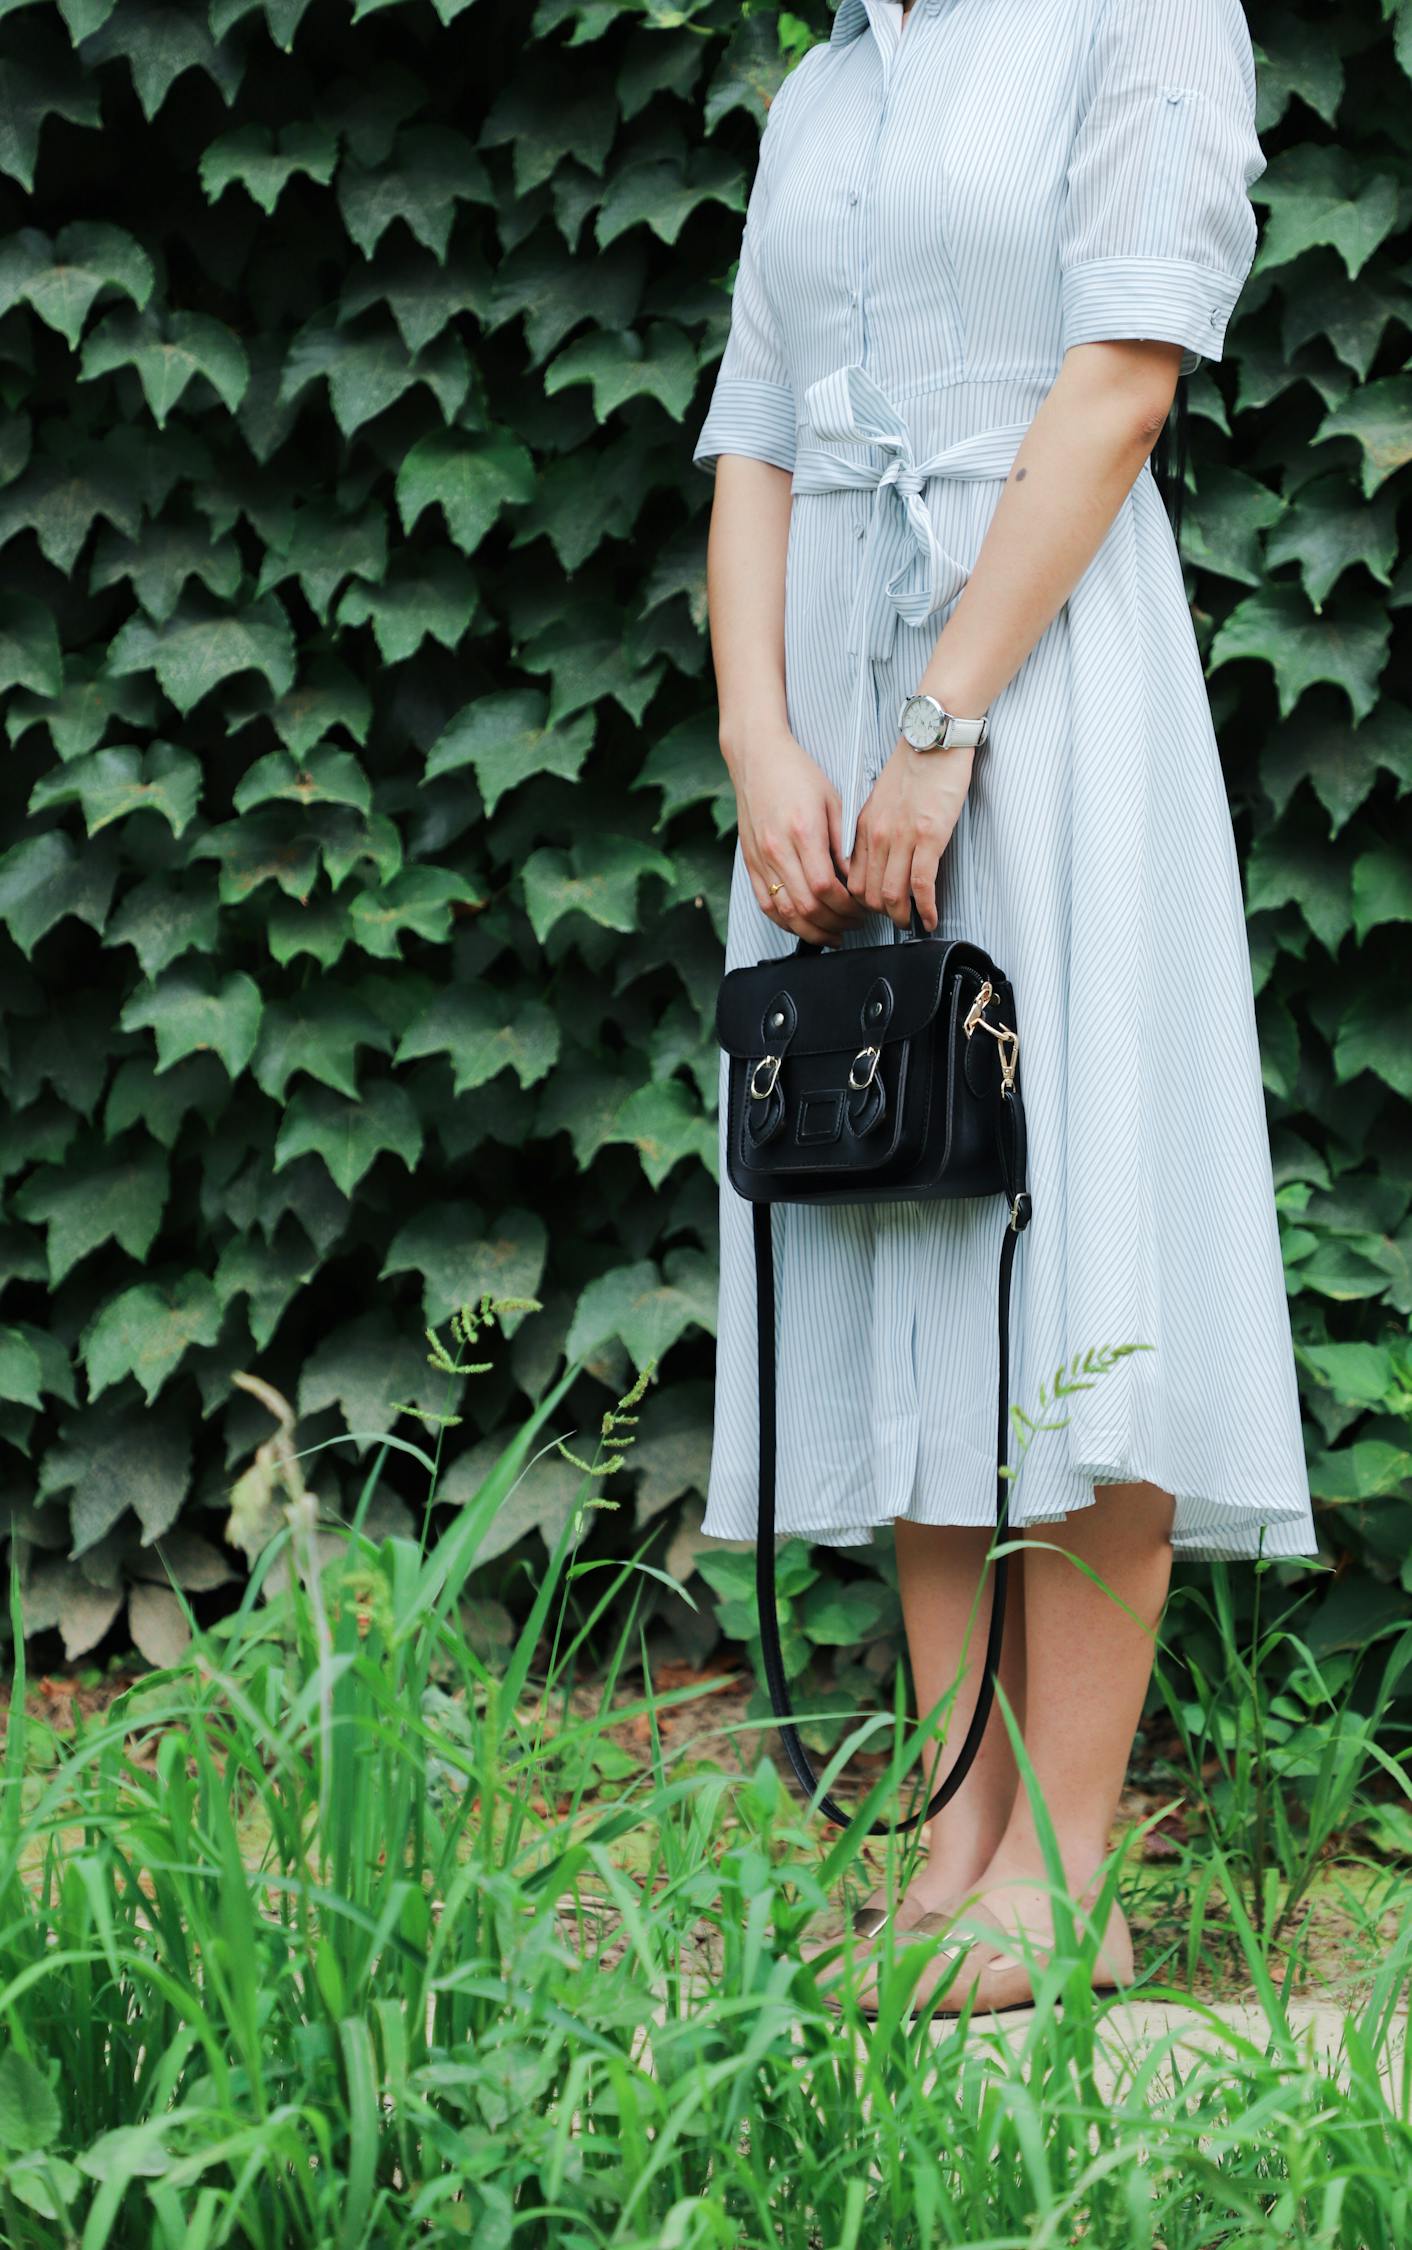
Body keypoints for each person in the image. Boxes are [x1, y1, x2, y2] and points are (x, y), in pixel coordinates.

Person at [691, 0, 1324, 2016]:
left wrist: (945, 722)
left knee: (1078, 1238)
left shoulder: (1137, 12)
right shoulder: (825, 84)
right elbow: (753, 439)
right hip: (834, 711)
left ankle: (1062, 1868)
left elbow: (1121, 383)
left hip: (1035, 692)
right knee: (902, 1228)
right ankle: (955, 1840)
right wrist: (760, 743)